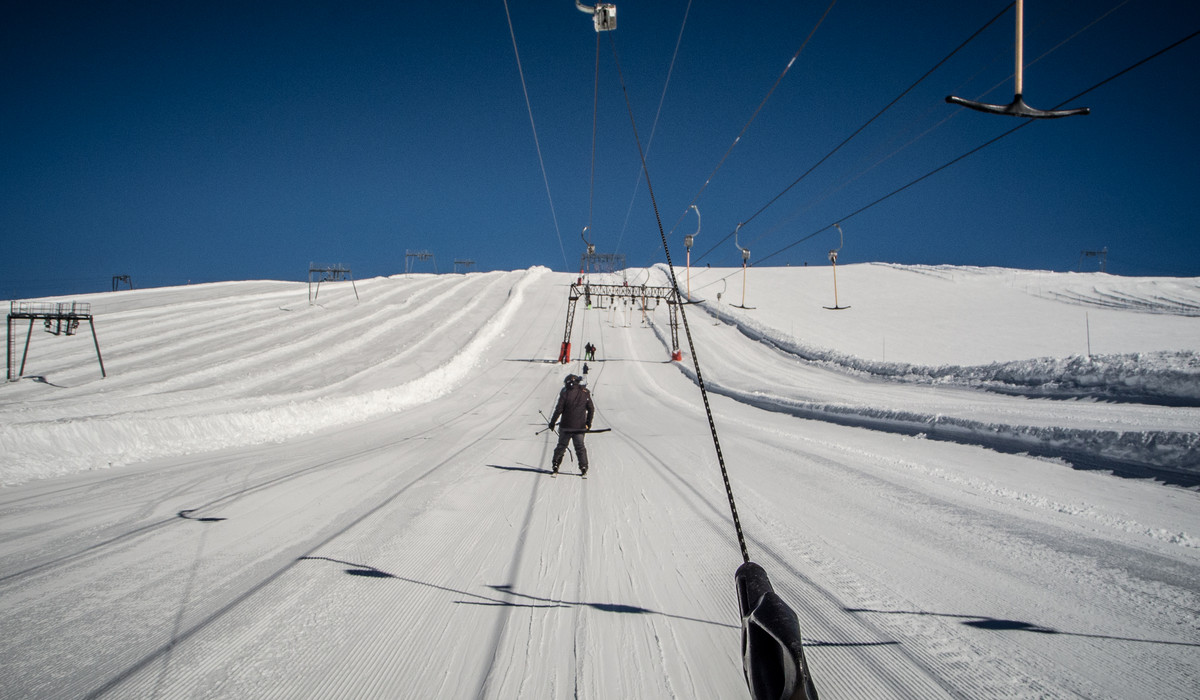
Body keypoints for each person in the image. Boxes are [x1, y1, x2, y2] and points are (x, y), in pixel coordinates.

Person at [548, 374, 595, 476]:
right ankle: (583, 468)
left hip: (565, 426)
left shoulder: (565, 393)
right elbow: (591, 409)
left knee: (561, 446)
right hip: (580, 427)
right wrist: (588, 423)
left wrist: (552, 423)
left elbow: (559, 409)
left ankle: (555, 465)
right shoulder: (585, 393)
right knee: (580, 447)